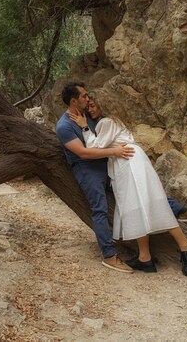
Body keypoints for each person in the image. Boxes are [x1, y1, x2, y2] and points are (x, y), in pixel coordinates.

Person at [69, 88, 187, 276]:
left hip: (129, 163)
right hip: (127, 162)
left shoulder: (106, 122)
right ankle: (145, 258)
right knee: (136, 208)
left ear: (102, 104)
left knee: (150, 205)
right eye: (88, 106)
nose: (90, 110)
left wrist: (84, 127)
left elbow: (93, 147)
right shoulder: (111, 121)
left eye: (92, 106)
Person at [56, 81, 136, 273]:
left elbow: (102, 137)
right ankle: (109, 256)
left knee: (137, 187)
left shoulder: (90, 116)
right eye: (84, 96)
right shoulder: (64, 126)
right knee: (99, 209)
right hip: (87, 170)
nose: (87, 97)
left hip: (107, 164)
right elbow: (83, 153)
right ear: (74, 101)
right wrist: (114, 151)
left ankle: (180, 209)